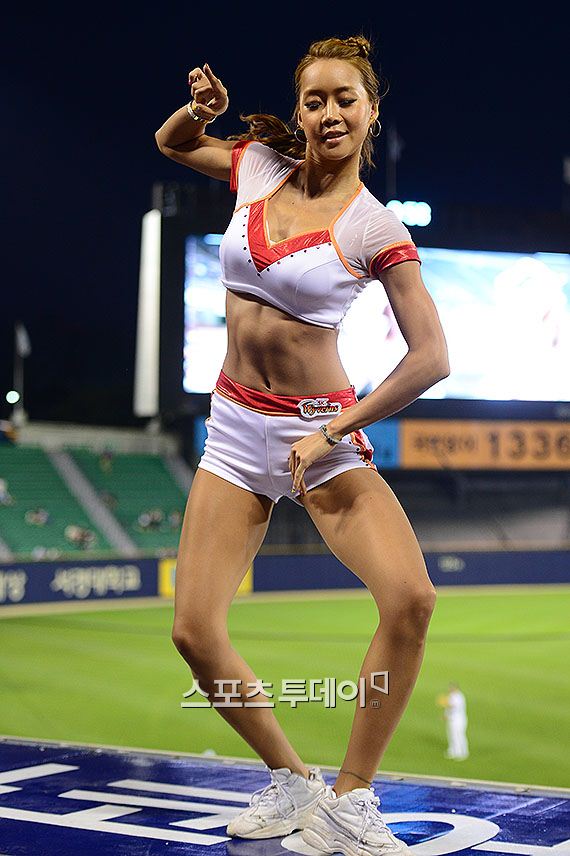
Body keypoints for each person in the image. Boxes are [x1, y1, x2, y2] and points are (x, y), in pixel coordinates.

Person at [155, 34, 449, 855]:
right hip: (234, 425)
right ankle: (294, 781)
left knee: (412, 600)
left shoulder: (373, 226)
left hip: (320, 432)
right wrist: (199, 112)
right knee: (193, 632)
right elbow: (173, 144)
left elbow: (431, 357)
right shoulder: (258, 167)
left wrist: (334, 430)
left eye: (345, 99)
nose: (329, 114)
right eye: (314, 100)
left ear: (372, 111)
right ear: (299, 110)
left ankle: (350, 803)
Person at [438, 682, 469, 760]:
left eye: (452, 688)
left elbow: (453, 706)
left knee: (458, 735)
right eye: (450, 688)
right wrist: (445, 716)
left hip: (458, 720)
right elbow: (449, 709)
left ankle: (460, 753)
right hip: (452, 719)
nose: (450, 689)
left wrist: (444, 703)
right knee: (452, 735)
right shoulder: (451, 696)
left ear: (456, 688)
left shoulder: (459, 697)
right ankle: (453, 751)